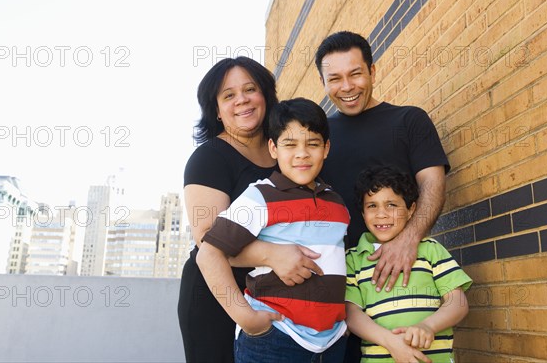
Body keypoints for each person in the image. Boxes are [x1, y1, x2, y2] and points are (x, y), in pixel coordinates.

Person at [315, 31, 450, 362]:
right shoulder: (320, 138)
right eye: (335, 78)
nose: (346, 87)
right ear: (324, 82)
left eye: (355, 74)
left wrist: (409, 239)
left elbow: (434, 183)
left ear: (372, 72)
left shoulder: (409, 120)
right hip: (340, 288)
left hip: (403, 283)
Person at [196, 98, 349, 363]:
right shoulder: (259, 196)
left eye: (312, 144)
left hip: (332, 342)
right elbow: (208, 254)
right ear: (273, 148)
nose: (302, 153)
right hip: (275, 339)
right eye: (290, 144)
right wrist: (246, 318)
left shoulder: (337, 203)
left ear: (326, 148)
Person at [178, 56, 280, 363]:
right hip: (215, 299)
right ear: (217, 111)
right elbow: (208, 239)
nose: (242, 100)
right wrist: (275, 255)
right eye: (229, 95)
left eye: (250, 89)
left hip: (273, 297)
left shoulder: (286, 152)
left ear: (266, 95)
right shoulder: (209, 159)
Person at [345, 166, 471, 363]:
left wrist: (428, 326)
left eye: (391, 205)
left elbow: (458, 303)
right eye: (372, 206)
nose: (381, 214)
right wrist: (391, 342)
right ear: (362, 213)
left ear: (411, 210)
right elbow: (351, 315)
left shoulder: (430, 250)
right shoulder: (354, 259)